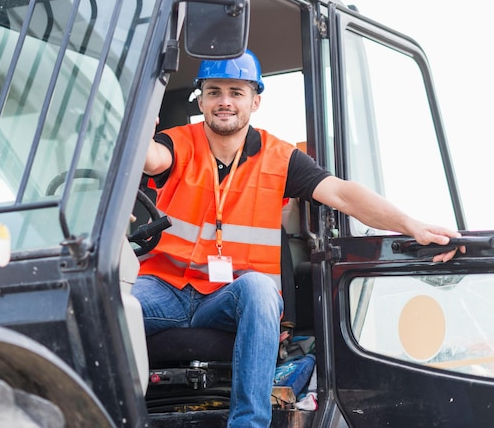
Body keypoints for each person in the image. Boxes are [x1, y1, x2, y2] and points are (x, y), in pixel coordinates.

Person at [133, 49, 462, 427]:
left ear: (255, 101)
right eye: (214, 91)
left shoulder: (279, 158)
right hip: (165, 290)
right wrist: (138, 130)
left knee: (259, 288)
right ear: (201, 99)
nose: (224, 102)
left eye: (236, 92)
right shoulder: (178, 143)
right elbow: (151, 159)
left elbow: (342, 194)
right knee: (101, 301)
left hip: (228, 297)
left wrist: (412, 226)